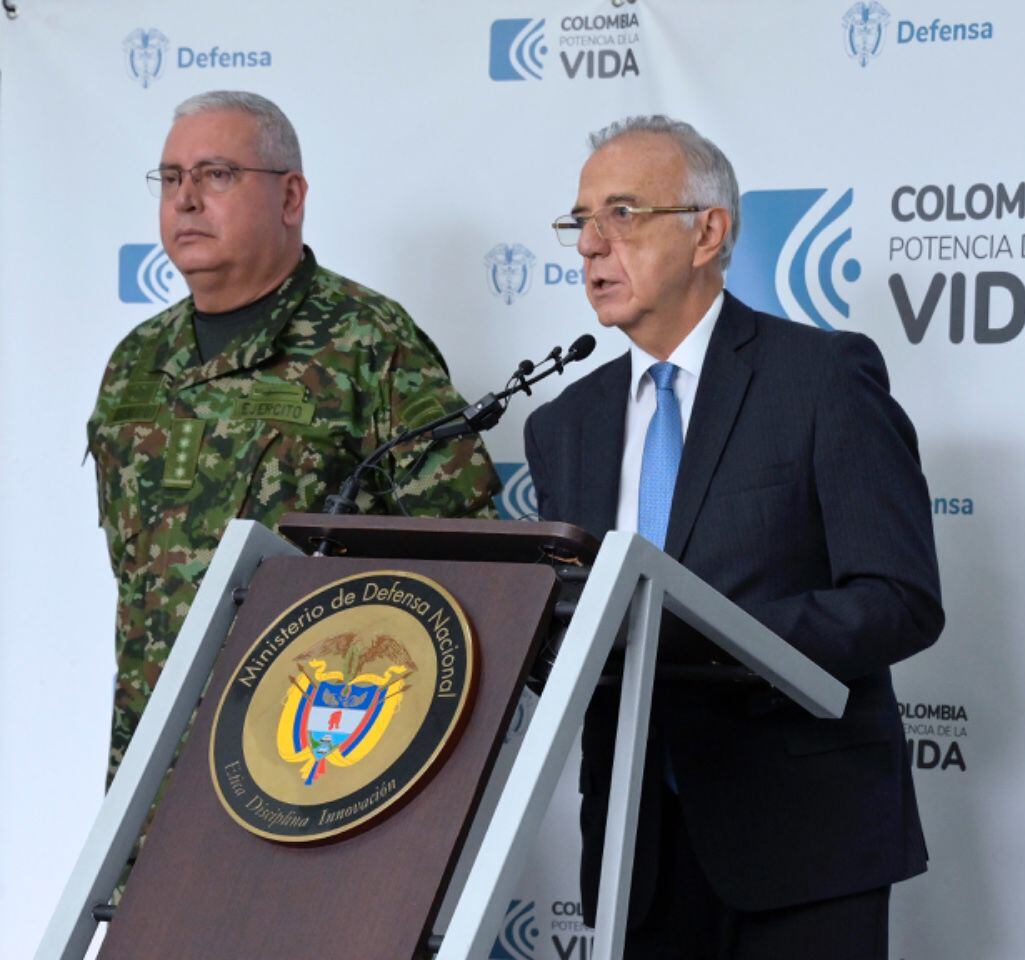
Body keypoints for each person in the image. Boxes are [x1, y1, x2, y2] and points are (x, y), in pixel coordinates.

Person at [523, 115, 942, 959]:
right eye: (580, 222)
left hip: (804, 839)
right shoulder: (563, 423)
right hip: (635, 851)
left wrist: (721, 643)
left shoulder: (823, 377)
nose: (591, 247)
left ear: (708, 231)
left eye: (622, 215)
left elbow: (899, 599)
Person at [86, 91, 498, 781]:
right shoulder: (136, 362)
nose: (186, 199)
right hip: (149, 770)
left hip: (313, 762)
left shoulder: (368, 342)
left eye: (216, 174)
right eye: (171, 178)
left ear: (290, 196)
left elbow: (472, 564)